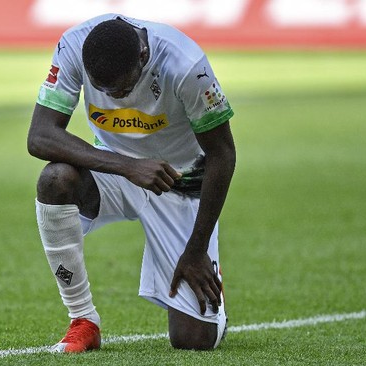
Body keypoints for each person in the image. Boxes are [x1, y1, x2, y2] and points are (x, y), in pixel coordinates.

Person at [27, 13, 236, 352]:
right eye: (105, 90)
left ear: (143, 56)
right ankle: (83, 319)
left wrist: (195, 250)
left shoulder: (186, 66)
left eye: (123, 88)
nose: (117, 96)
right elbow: (40, 136)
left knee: (193, 341)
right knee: (55, 180)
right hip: (117, 170)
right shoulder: (74, 46)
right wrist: (129, 167)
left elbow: (223, 154)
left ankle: (211, 277)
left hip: (179, 182)